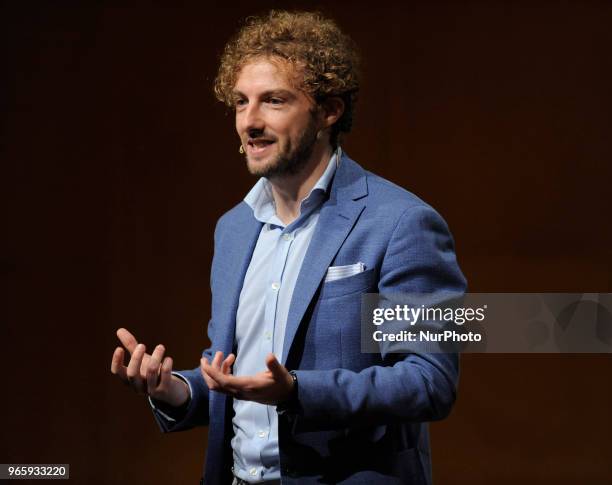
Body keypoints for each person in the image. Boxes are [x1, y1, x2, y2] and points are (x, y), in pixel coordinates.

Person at [111, 10, 466, 485]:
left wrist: (298, 391)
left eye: (274, 101)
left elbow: (429, 381)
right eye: (240, 102)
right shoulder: (234, 229)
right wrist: (174, 389)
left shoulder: (402, 223)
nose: (249, 122)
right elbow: (237, 380)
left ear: (329, 111)